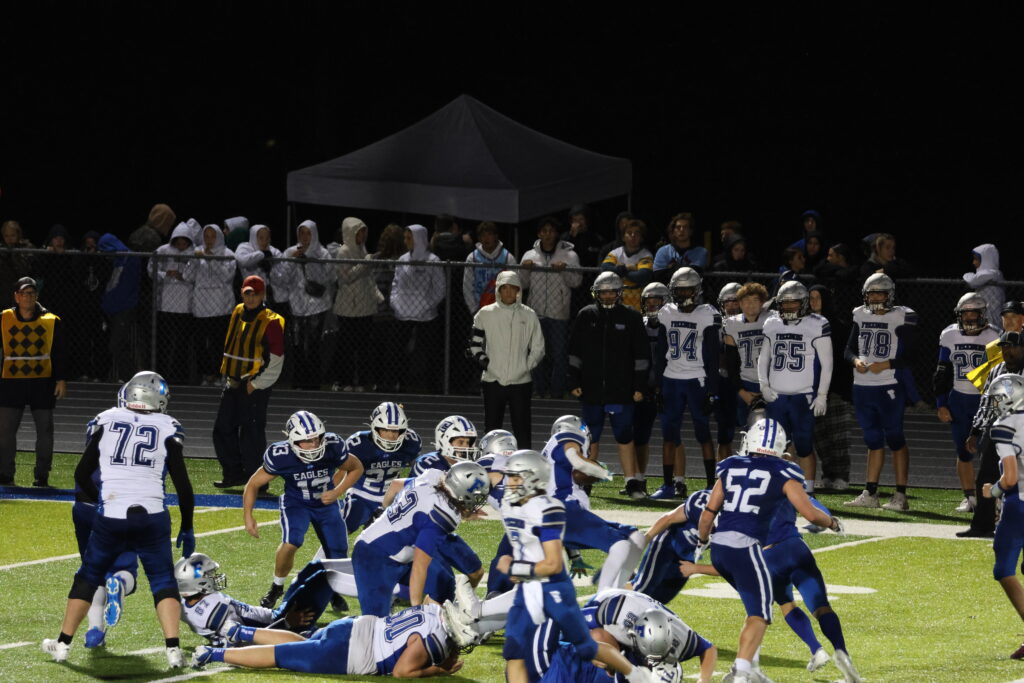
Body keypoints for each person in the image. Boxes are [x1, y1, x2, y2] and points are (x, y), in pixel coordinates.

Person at [42, 372, 195, 668]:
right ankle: (173, 650)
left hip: (111, 513)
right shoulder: (168, 426)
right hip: (152, 514)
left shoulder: (106, 419)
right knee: (162, 580)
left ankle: (62, 645)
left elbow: (81, 473)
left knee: (88, 576)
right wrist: (187, 525)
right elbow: (183, 486)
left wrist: (100, 500)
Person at [696, 418, 842, 683]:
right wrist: (832, 523)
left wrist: (702, 541)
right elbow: (810, 513)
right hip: (747, 549)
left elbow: (708, 514)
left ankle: (750, 670)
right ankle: (742, 672)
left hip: (719, 548)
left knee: (756, 608)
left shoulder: (730, 466)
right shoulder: (784, 471)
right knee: (759, 615)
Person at [493, 449, 655, 683]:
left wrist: (514, 568)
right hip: (527, 590)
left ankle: (635, 674)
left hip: (549, 592)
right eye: (509, 476)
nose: (509, 482)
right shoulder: (513, 506)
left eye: (515, 477)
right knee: (514, 655)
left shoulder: (547, 510)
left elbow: (553, 564)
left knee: (546, 660)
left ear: (533, 479)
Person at [243, 411, 363, 609]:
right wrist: (248, 516)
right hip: (296, 503)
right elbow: (253, 484)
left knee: (338, 551)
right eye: (307, 441)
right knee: (291, 542)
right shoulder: (281, 456)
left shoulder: (332, 445)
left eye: (317, 438)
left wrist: (337, 491)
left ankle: (333, 591)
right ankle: (277, 587)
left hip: (325, 504)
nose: (314, 445)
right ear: (293, 440)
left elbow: (356, 467)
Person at [351, 461, 488, 617]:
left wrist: (384, 512)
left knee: (443, 583)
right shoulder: (439, 515)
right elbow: (419, 566)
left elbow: (395, 485)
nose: (475, 502)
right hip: (373, 556)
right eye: (474, 496)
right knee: (375, 622)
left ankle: (436, 621)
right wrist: (416, 610)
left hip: (401, 552)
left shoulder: (433, 477)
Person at [191, 603, 465, 677]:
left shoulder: (434, 609)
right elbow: (402, 672)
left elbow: (427, 600)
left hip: (352, 626)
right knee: (282, 656)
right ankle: (211, 654)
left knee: (303, 643)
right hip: (351, 652)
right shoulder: (436, 637)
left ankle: (240, 633)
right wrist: (437, 670)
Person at [540, 415, 645, 591]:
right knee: (621, 545)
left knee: (634, 535)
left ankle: (620, 580)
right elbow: (576, 460)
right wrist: (602, 472)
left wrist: (575, 556)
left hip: (560, 517)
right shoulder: (567, 436)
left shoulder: (551, 454)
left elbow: (572, 474)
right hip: (566, 510)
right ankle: (604, 593)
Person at [568, 272, 650, 497]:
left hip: (621, 389)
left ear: (619, 293)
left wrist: (639, 386)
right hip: (592, 387)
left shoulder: (631, 317)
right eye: (603, 292)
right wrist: (573, 380)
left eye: (612, 292)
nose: (607, 296)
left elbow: (641, 355)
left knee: (624, 435)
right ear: (596, 293)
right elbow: (574, 351)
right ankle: (587, 479)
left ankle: (631, 481)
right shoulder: (586, 315)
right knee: (590, 436)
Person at [844, 273, 917, 511]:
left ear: (890, 295)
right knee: (872, 439)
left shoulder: (902, 315)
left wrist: (887, 364)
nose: (875, 298)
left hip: (889, 385)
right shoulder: (860, 314)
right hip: (862, 386)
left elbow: (913, 355)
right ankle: (871, 492)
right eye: (871, 293)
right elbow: (848, 349)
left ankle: (900, 495)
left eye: (880, 293)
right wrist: (855, 361)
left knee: (895, 437)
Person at [757, 280, 832, 490]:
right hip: (777, 396)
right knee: (779, 445)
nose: (789, 306)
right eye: (785, 302)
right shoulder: (772, 322)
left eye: (794, 302)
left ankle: (808, 489)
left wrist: (822, 395)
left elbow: (827, 364)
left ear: (804, 302)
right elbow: (764, 358)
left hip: (803, 395)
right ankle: (784, 487)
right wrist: (764, 385)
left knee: (804, 444)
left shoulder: (816, 323)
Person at [212, 275, 285, 489]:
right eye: (247, 293)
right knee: (223, 428)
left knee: (252, 435)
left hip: (253, 386)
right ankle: (233, 474)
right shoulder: (238, 311)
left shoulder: (272, 321)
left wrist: (256, 384)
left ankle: (257, 483)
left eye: (255, 294)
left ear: (263, 295)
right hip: (234, 383)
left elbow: (277, 359)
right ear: (242, 293)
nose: (251, 298)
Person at [654, 267, 721, 493]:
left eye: (687, 289)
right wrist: (658, 386)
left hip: (696, 379)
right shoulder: (666, 312)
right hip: (671, 379)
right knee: (669, 434)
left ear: (697, 290)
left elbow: (713, 356)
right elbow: (660, 352)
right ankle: (667, 485)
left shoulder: (707, 313)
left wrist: (712, 390)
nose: (683, 294)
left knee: (703, 433)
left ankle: (711, 484)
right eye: (679, 290)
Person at [177, 553, 334, 646]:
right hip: (280, 623)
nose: (214, 577)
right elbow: (246, 640)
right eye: (208, 575)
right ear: (197, 582)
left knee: (316, 566)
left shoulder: (183, 602)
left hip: (275, 616)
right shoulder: (214, 610)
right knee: (327, 576)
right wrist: (287, 623)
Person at [933, 293, 1000, 512]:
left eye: (974, 313)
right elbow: (941, 372)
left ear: (982, 314)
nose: (969, 318)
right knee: (963, 451)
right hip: (959, 399)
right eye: (965, 313)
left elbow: (1000, 373)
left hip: (985, 400)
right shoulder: (949, 334)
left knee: (989, 453)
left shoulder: (994, 335)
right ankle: (970, 497)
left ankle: (992, 498)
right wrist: (941, 403)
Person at [0, 277, 68, 487]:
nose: (27, 297)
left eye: (31, 293)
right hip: (11, 382)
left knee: (45, 430)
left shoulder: (51, 320)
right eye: (23, 293)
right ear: (16, 297)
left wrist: (61, 379)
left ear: (36, 296)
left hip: (42, 382)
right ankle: (5, 475)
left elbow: (60, 352)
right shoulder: (4, 318)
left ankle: (42, 476)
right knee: (6, 430)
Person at [960, 319, 1024, 538]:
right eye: (1004, 347)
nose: (1008, 351)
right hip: (1002, 431)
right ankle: (982, 526)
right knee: (985, 478)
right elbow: (986, 404)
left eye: (1013, 347)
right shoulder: (996, 370)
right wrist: (975, 432)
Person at [468, 270, 545, 448]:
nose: (508, 292)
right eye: (504, 288)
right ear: (498, 290)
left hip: (522, 382)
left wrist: (525, 367)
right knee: (492, 429)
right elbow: (474, 345)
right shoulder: (485, 314)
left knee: (523, 429)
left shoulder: (529, 315)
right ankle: (489, 460)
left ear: (519, 290)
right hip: (492, 380)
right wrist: (488, 365)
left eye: (513, 287)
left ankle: (524, 462)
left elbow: (539, 347)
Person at [578, 589, 717, 683]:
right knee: (599, 638)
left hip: (638, 613)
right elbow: (572, 620)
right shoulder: (613, 613)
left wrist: (703, 680)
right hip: (607, 603)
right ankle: (608, 674)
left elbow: (709, 649)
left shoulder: (681, 636)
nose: (651, 661)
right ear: (634, 636)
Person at [978, 374, 1024, 659]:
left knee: (1004, 570)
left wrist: (991, 491)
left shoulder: (1005, 425)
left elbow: (1009, 478)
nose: (994, 404)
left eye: (997, 399)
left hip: (1019, 505)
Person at [520, 216, 582, 399]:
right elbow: (522, 284)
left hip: (559, 313)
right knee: (536, 354)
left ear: (556, 234)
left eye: (551, 231)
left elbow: (577, 281)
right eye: (544, 231)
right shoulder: (529, 255)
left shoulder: (570, 255)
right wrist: (524, 269)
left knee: (559, 355)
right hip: (535, 312)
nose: (548, 234)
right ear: (539, 234)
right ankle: (538, 391)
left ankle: (556, 393)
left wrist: (565, 269)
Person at [343, 402, 422, 533]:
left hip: (392, 496)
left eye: (395, 430)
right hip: (361, 493)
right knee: (342, 530)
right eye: (385, 430)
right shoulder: (357, 444)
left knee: (394, 536)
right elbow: (342, 470)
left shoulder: (411, 442)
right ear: (375, 428)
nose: (391, 435)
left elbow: (416, 471)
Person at [391, 224, 446, 393]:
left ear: (418, 239)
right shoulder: (402, 260)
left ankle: (430, 388)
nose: (405, 241)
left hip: (426, 316)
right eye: (405, 238)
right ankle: (401, 384)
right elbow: (396, 285)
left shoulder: (433, 261)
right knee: (399, 352)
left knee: (428, 353)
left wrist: (425, 306)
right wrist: (396, 304)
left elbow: (439, 289)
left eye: (409, 238)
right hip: (403, 314)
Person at [810, 285, 855, 490]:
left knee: (838, 435)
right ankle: (827, 474)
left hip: (836, 388)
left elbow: (844, 361)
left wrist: (842, 389)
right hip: (812, 388)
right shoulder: (805, 325)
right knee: (820, 436)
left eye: (818, 298)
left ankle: (842, 476)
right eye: (811, 298)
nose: (813, 302)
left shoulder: (839, 327)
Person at [630, 489, 710, 604]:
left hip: (688, 553)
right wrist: (645, 539)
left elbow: (728, 568)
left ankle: (619, 587)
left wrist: (696, 568)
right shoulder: (702, 500)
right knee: (642, 589)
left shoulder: (732, 525)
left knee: (661, 598)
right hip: (668, 541)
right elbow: (669, 518)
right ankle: (607, 601)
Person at [280, 220, 332, 389]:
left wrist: (312, 261)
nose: (304, 237)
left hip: (317, 305)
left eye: (308, 233)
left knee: (314, 344)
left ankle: (314, 382)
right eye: (301, 233)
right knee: (297, 344)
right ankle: (299, 380)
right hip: (297, 305)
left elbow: (329, 277)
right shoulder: (291, 252)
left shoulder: (323, 253)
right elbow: (282, 278)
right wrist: (292, 260)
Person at [184, 224, 237, 386]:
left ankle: (221, 374)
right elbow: (187, 276)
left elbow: (227, 277)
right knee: (200, 343)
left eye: (213, 236)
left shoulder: (228, 254)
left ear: (219, 237)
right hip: (201, 307)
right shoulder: (198, 252)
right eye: (206, 236)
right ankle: (207, 374)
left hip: (221, 306)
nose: (209, 240)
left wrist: (210, 258)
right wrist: (194, 261)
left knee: (219, 343)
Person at [331, 217, 378, 392]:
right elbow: (346, 277)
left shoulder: (362, 249)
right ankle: (346, 380)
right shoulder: (343, 252)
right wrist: (365, 262)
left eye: (364, 232)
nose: (363, 236)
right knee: (347, 347)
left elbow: (367, 277)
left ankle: (363, 381)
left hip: (364, 306)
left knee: (364, 346)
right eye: (360, 232)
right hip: (348, 308)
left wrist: (376, 295)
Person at [149, 222, 195, 383]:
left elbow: (197, 274)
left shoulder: (194, 253)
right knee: (164, 342)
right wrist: (166, 274)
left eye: (184, 242)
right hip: (165, 305)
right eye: (179, 242)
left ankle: (180, 378)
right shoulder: (163, 251)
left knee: (182, 344)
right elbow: (151, 270)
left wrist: (184, 276)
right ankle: (161, 375)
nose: (181, 246)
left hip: (186, 307)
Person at [637, 283, 670, 498]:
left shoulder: (673, 324)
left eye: (657, 301)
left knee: (672, 435)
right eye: (649, 301)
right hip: (645, 386)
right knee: (640, 435)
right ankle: (639, 479)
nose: (652, 305)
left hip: (668, 383)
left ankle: (677, 481)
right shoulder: (639, 324)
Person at [723, 282, 770, 430]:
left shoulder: (772, 319)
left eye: (755, 300)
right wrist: (741, 391)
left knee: (772, 430)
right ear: (740, 304)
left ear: (762, 303)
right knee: (747, 431)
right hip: (746, 383)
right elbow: (731, 363)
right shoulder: (732, 324)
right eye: (746, 301)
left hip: (771, 384)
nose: (750, 304)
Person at [463, 221, 517, 315]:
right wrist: (474, 309)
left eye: (490, 234)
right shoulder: (472, 258)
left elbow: (514, 285)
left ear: (496, 236)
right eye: (483, 235)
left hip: (502, 310)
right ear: (479, 238)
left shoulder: (507, 257)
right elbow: (467, 286)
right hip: (479, 308)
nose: (486, 238)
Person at [601, 218, 654, 311]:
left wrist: (619, 270)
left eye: (637, 233)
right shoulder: (616, 253)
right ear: (623, 237)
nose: (633, 236)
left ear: (641, 238)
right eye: (629, 233)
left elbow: (642, 276)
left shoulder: (646, 255)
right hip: (616, 302)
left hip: (638, 305)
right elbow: (605, 268)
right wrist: (627, 268)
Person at [234, 224, 287, 313]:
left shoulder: (272, 250)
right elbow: (242, 261)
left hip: (272, 297)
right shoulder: (245, 247)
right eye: (261, 238)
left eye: (267, 238)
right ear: (254, 237)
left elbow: (282, 264)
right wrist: (261, 254)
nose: (264, 241)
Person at [653, 212, 708, 281]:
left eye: (685, 227)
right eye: (678, 227)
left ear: (691, 231)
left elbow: (695, 272)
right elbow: (658, 276)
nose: (682, 230)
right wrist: (686, 268)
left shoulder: (701, 251)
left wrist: (672, 268)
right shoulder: (663, 251)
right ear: (673, 231)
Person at [964, 243, 1004, 329]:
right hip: (985, 315)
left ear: (986, 259)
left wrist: (967, 275)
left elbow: (972, 282)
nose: (974, 263)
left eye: (976, 259)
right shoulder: (992, 274)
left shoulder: (993, 274)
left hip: (992, 318)